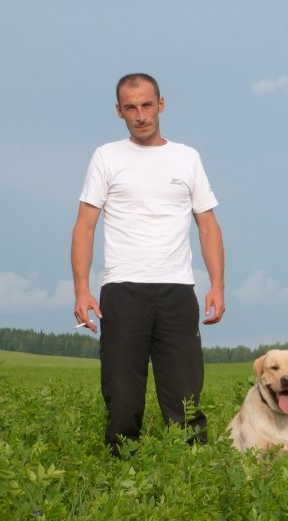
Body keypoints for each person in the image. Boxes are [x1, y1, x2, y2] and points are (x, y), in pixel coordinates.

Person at [71, 73, 225, 456]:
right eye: (130, 107)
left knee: (185, 400)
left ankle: (192, 480)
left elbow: (207, 225)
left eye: (146, 105)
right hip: (123, 290)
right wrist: (81, 289)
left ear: (161, 104)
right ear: (118, 111)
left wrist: (218, 285)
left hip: (177, 291)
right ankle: (122, 475)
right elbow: (85, 226)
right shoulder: (106, 157)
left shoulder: (187, 157)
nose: (140, 115)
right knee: (123, 398)